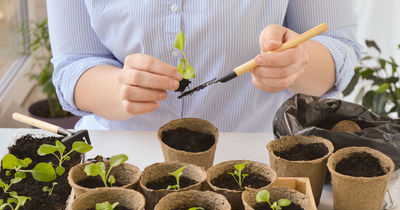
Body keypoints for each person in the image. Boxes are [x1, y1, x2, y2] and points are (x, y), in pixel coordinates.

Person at [47, 1, 361, 132]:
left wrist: (297, 62)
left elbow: (340, 48)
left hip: (254, 159)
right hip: (123, 160)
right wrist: (119, 90)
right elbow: (73, 66)